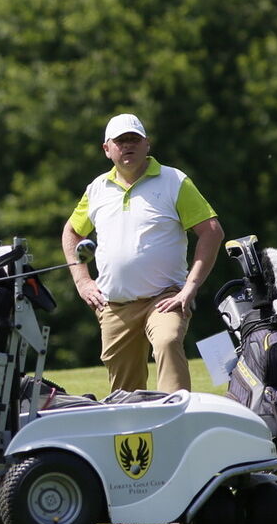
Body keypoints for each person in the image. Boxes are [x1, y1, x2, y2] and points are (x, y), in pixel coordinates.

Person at [62, 114, 224, 393]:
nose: (128, 146)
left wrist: (189, 289)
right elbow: (72, 233)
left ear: (146, 144)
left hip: (165, 297)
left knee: (168, 340)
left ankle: (175, 417)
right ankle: (135, 431)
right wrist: (82, 281)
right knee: (124, 392)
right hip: (114, 304)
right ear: (107, 149)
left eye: (134, 139)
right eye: (120, 141)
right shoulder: (97, 188)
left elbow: (212, 231)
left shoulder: (174, 180)